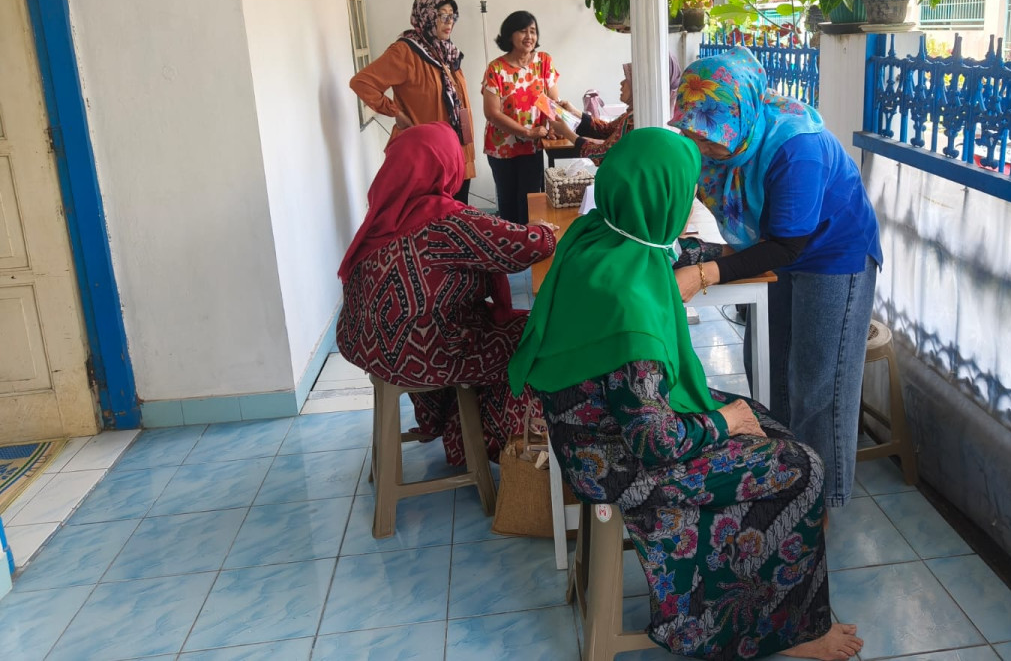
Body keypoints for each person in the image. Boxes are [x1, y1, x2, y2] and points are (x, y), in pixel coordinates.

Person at [509, 128, 863, 661]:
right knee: (802, 465)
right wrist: (726, 425)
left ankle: (758, 599)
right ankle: (781, 634)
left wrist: (725, 254)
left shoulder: (598, 234)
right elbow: (655, 440)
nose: (692, 198)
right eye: (687, 190)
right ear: (665, 199)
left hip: (583, 431)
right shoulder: (630, 308)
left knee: (764, 418)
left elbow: (674, 249)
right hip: (617, 460)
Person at [669, 47, 882, 509]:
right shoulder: (718, 132)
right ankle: (787, 477)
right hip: (774, 244)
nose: (701, 149)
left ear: (740, 116)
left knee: (818, 383)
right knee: (768, 365)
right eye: (693, 136)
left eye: (709, 140)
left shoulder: (795, 147)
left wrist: (704, 273)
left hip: (832, 253)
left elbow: (788, 245)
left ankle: (820, 501)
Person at [336, 122, 556, 465]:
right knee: (530, 337)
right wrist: (544, 232)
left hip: (367, 348)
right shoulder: (444, 221)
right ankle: (479, 441)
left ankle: (447, 423)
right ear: (446, 164)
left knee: (440, 319)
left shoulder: (384, 214)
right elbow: (521, 248)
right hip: (421, 357)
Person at [350, 0, 476, 203]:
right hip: (427, 156)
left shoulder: (447, 52)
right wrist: (396, 113)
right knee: (432, 222)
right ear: (426, 16)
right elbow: (362, 82)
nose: (449, 22)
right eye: (441, 15)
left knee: (458, 219)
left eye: (452, 16)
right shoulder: (406, 52)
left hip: (456, 152)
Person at [481, 11, 581, 223]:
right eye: (522, 30)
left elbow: (553, 102)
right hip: (502, 146)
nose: (529, 36)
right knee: (507, 201)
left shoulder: (544, 61)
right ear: (509, 35)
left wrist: (553, 127)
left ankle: (532, 245)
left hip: (534, 144)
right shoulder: (496, 68)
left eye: (533, 31)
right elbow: (491, 113)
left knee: (530, 199)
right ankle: (510, 247)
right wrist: (526, 132)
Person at [548, 55, 682, 164]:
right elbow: (606, 130)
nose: (621, 83)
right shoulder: (635, 113)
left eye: (628, 79)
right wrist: (575, 112)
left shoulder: (637, 119)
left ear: (640, 84)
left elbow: (603, 154)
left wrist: (567, 133)